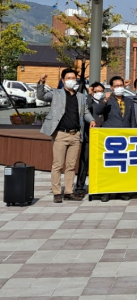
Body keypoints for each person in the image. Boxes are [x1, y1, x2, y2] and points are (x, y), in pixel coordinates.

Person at [36, 69, 95, 203]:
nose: (71, 80)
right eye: (68, 78)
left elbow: (84, 112)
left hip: (75, 135)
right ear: (63, 80)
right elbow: (41, 96)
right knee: (57, 165)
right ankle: (57, 192)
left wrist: (91, 119)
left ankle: (69, 191)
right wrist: (41, 82)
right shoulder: (56, 93)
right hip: (60, 134)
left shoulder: (80, 96)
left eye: (73, 78)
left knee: (71, 165)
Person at [94, 76, 137, 202]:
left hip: (125, 137)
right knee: (110, 165)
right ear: (112, 88)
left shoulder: (129, 101)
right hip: (110, 137)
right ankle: (106, 191)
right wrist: (105, 100)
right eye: (116, 86)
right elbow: (98, 111)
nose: (119, 88)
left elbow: (132, 119)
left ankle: (121, 191)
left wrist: (133, 134)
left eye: (121, 85)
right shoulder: (107, 99)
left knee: (123, 166)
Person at [74, 82, 104, 196]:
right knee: (85, 161)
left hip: (102, 135)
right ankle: (80, 186)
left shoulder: (104, 102)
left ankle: (100, 185)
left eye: (101, 91)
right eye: (96, 91)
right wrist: (90, 94)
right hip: (89, 135)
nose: (99, 93)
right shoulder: (87, 101)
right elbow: (87, 108)